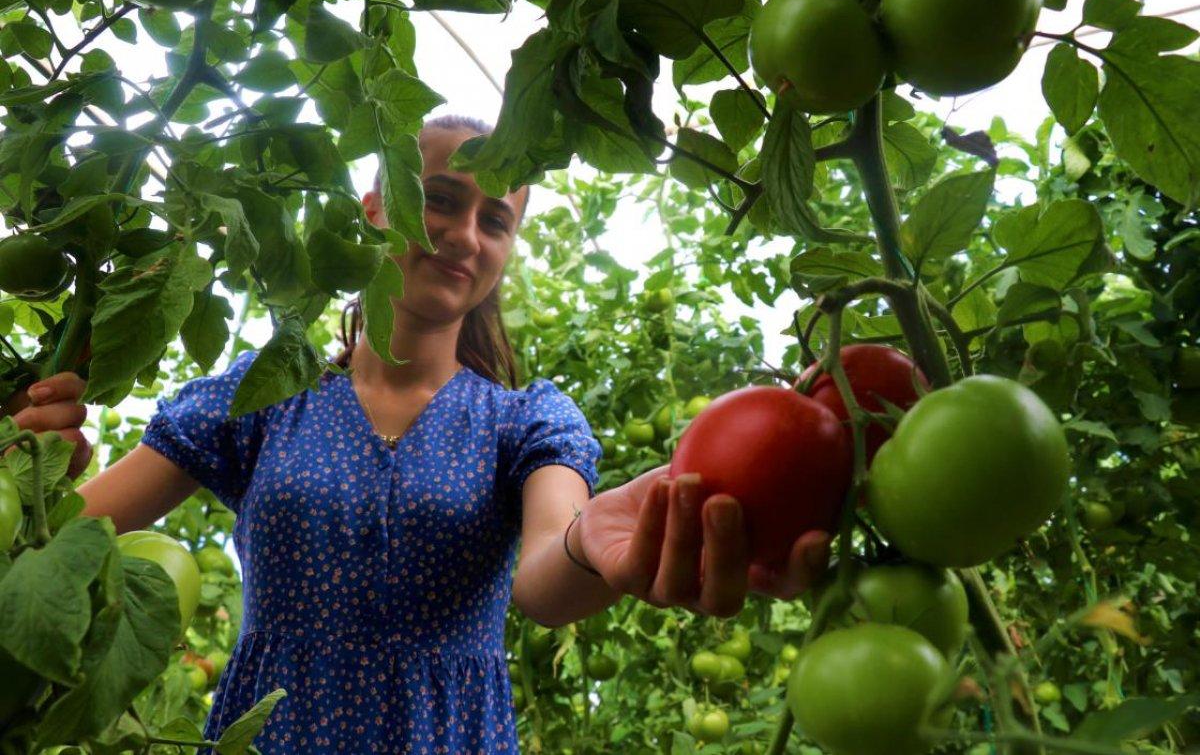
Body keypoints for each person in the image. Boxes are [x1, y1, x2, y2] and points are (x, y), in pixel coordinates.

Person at [8, 114, 832, 753]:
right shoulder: (262, 398)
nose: (465, 233)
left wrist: (601, 546)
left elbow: (548, 574)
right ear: (376, 209)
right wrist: (27, 474)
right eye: (440, 199)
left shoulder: (525, 422)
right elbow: (69, 530)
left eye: (495, 219)